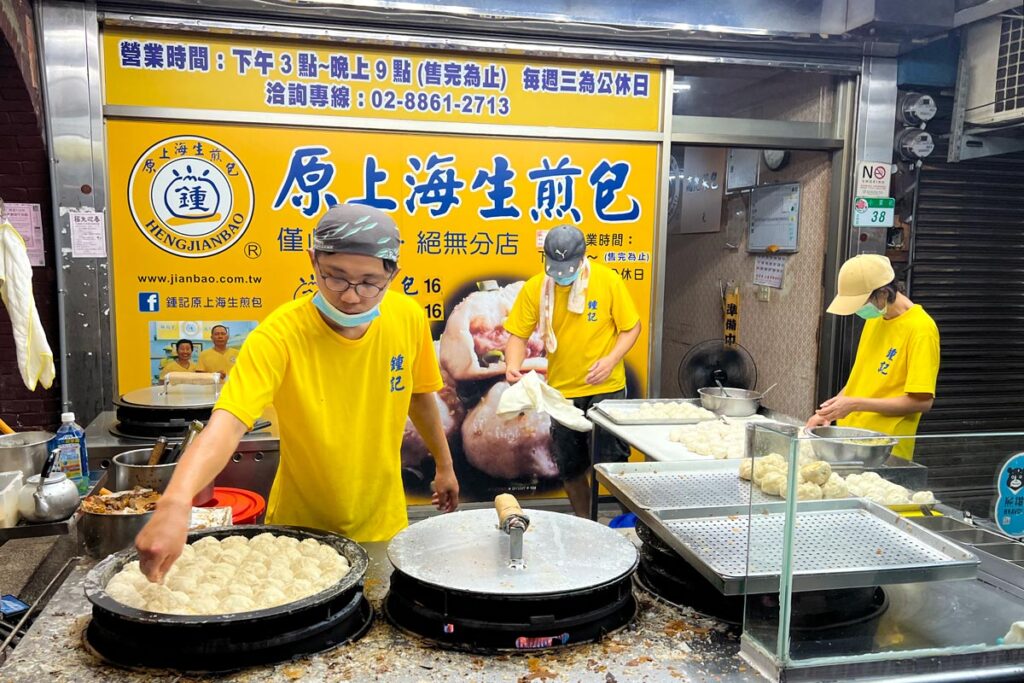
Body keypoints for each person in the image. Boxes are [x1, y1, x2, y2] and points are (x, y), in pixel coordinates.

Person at [136, 204, 460, 581]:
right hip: (299, 534)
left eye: (370, 282)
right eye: (335, 277)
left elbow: (419, 397)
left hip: (382, 525)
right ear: (312, 260)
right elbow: (227, 424)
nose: (352, 296)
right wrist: (175, 502)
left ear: (394, 274)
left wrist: (445, 465)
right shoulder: (279, 335)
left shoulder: (408, 318)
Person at [503, 225, 642, 517]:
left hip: (607, 388)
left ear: (582, 259)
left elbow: (631, 328)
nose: (561, 275)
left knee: (613, 465)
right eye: (555, 268)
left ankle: (630, 527)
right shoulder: (536, 288)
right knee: (570, 468)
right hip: (562, 395)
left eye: (568, 268)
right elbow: (517, 334)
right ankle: (586, 523)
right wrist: (513, 365)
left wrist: (610, 359)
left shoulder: (608, 281)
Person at [806, 254, 940, 460]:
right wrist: (827, 413)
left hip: (885, 449)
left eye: (861, 303)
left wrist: (855, 404)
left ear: (883, 293)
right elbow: (861, 380)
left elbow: (922, 402)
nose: (859, 310)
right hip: (849, 440)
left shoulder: (921, 329)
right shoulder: (876, 319)